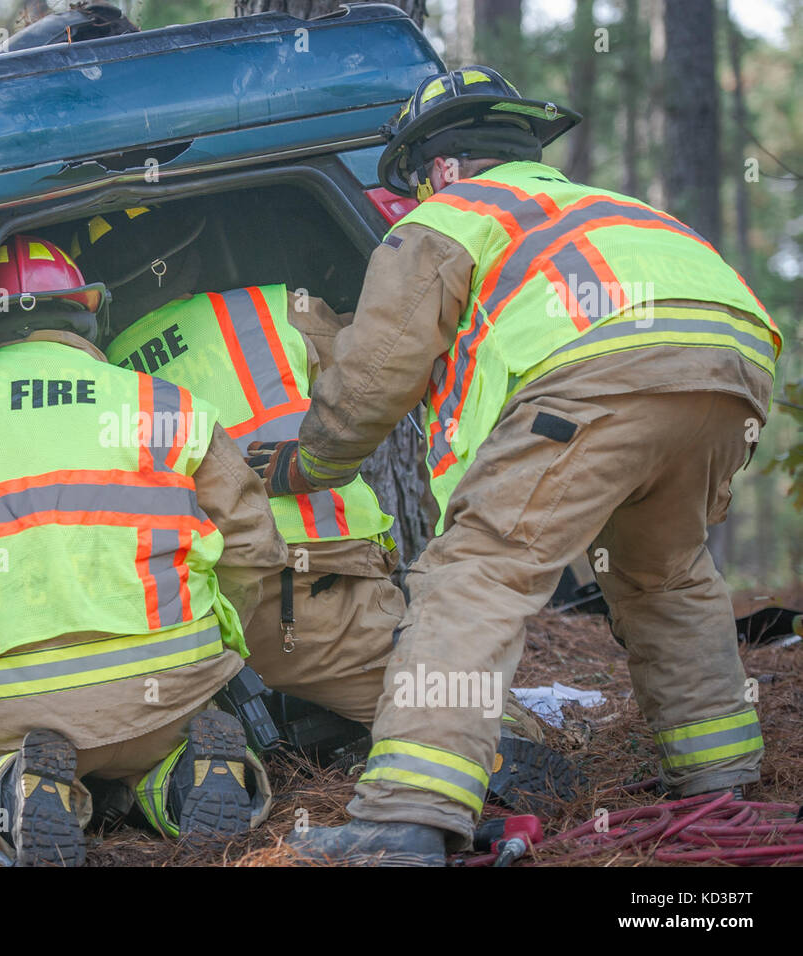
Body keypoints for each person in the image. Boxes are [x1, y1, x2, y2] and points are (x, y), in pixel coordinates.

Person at [247, 66, 782, 865]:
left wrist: (311, 464)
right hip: (732, 367)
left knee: (475, 577)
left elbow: (374, 374)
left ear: (441, 167)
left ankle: (406, 816)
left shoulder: (453, 214)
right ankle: (718, 787)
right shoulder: (607, 208)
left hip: (602, 372)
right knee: (668, 576)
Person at [0, 235, 286, 866]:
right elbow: (254, 546)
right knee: (171, 744)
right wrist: (217, 647)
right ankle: (181, 782)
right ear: (88, 303)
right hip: (163, 693)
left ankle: (5, 797)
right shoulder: (163, 403)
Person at [73, 206, 404, 730]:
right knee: (447, 714)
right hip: (319, 580)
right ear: (191, 252)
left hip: (196, 613)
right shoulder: (271, 309)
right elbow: (381, 366)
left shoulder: (97, 378)